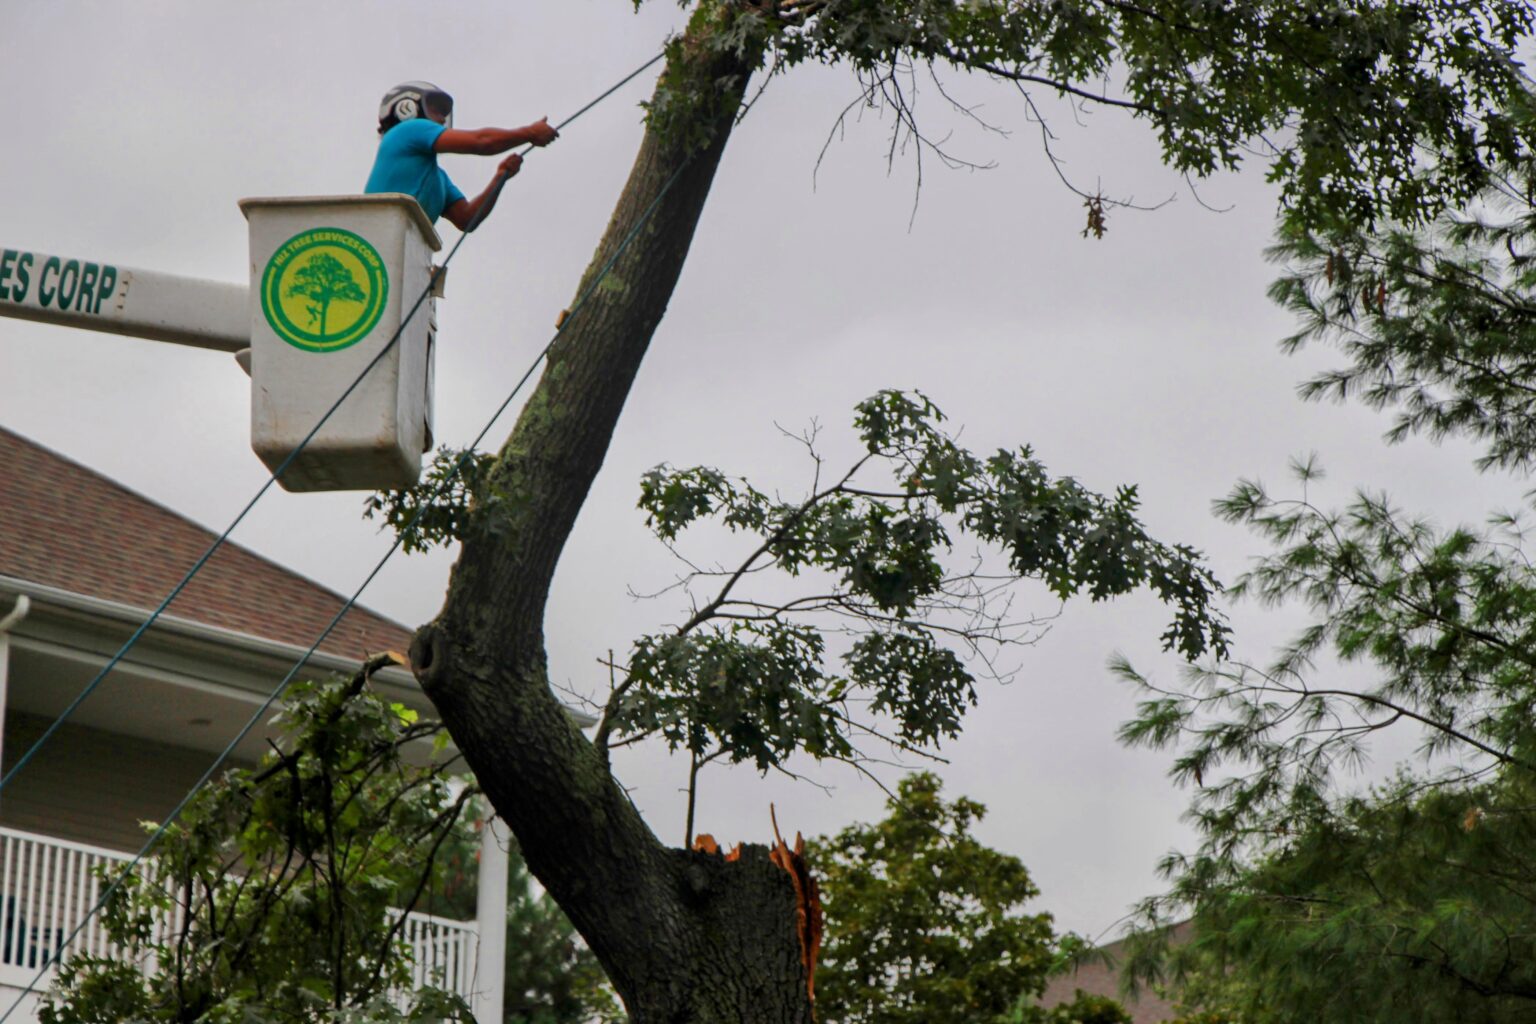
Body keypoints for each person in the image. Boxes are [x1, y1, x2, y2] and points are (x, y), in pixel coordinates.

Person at [365, 81, 558, 231]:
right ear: (406, 108)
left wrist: (501, 175)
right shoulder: (407, 130)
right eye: (435, 110)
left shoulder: (437, 178)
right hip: (378, 240)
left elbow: (467, 218)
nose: (442, 119)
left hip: (393, 250)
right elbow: (482, 141)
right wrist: (529, 132)